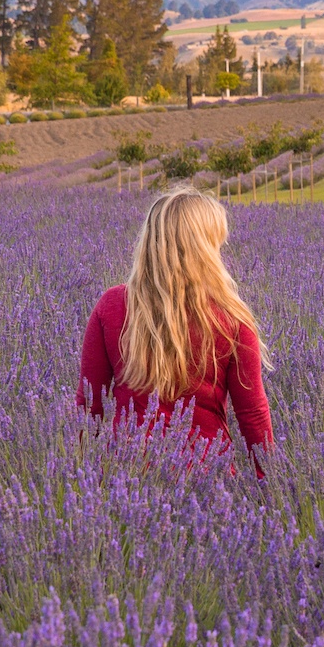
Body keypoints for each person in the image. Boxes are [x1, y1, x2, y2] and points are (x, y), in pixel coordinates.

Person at [76, 184, 273, 471]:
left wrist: (81, 482)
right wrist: (272, 490)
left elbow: (89, 406)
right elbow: (252, 415)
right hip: (207, 481)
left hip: (129, 478)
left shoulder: (113, 305)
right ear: (204, 248)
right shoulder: (232, 319)